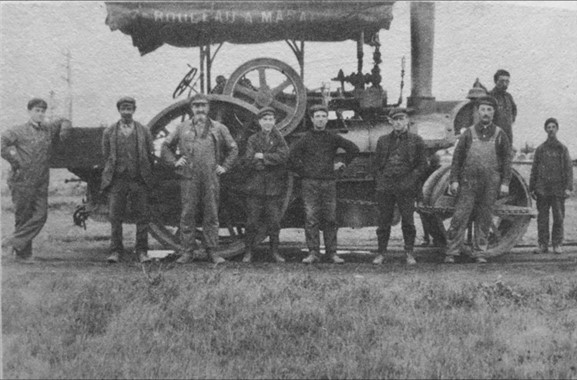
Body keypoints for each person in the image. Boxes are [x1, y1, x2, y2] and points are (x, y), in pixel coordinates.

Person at [161, 93, 238, 264]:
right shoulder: (182, 128)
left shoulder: (219, 128)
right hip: (189, 177)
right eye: (197, 106)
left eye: (203, 106)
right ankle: (187, 252)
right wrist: (175, 162)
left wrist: (224, 167)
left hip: (211, 177)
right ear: (192, 108)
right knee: (188, 214)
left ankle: (213, 252)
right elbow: (165, 146)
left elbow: (233, 148)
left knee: (211, 215)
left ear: (208, 108)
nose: (200, 109)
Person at [444, 95, 512, 264]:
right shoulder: (468, 133)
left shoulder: (499, 134)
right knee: (460, 216)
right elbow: (457, 159)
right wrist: (454, 180)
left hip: (490, 184)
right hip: (468, 183)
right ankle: (452, 251)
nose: (486, 113)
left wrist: (505, 183)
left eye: (489, 110)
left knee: (484, 218)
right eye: (483, 109)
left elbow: (507, 161)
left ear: (493, 113)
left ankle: (480, 252)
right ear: (478, 112)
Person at [1, 98, 72, 260]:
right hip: (22, 179)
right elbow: (1, 143)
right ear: (29, 112)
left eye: (42, 111)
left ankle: (10, 242)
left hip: (41, 179)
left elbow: (62, 120)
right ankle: (23, 255)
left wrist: (65, 127)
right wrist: (15, 160)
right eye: (36, 111)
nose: (40, 114)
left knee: (41, 215)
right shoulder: (18, 131)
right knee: (23, 217)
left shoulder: (47, 129)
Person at [289, 104, 360, 264]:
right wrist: (303, 171)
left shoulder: (332, 137)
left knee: (330, 219)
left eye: (323, 116)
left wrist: (341, 163)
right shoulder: (305, 138)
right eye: (317, 117)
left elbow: (353, 149)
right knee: (311, 218)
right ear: (312, 119)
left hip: (328, 182)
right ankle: (313, 253)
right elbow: (291, 157)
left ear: (327, 119)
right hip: (310, 183)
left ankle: (332, 253)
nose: (320, 119)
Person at [101, 97, 155, 263]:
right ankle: (116, 251)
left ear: (134, 110)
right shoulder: (109, 131)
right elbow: (106, 154)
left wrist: (142, 172)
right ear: (119, 110)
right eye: (123, 108)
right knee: (115, 216)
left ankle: (142, 252)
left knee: (142, 216)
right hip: (118, 180)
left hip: (138, 179)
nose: (126, 112)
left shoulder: (143, 131)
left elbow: (150, 153)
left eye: (129, 108)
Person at [372, 108, 427, 266]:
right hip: (386, 186)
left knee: (408, 222)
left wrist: (411, 179)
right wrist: (381, 180)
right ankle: (381, 253)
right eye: (395, 119)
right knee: (383, 222)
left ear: (407, 120)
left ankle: (409, 253)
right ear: (390, 122)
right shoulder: (383, 140)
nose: (398, 122)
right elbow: (375, 164)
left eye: (401, 119)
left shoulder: (416, 140)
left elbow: (423, 164)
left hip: (407, 186)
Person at [241, 107, 289, 263]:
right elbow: (249, 159)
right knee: (251, 222)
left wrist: (262, 156)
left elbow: (284, 155)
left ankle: (275, 252)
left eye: (271, 120)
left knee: (274, 223)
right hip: (255, 187)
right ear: (260, 122)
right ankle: (248, 253)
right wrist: (270, 161)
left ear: (274, 122)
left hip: (273, 189)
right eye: (265, 120)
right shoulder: (252, 139)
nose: (268, 123)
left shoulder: (278, 138)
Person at [529, 117, 573, 254]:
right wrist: (532, 188)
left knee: (558, 217)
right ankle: (543, 244)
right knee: (542, 218)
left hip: (558, 189)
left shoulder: (562, 149)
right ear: (545, 130)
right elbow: (534, 169)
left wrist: (568, 187)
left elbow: (568, 169)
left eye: (553, 127)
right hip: (542, 189)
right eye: (549, 127)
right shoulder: (540, 149)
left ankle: (557, 244)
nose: (551, 129)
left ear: (557, 129)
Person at [417, 152, 446, 247]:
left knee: (425, 217)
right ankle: (435, 238)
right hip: (430, 196)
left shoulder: (427, 170)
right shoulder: (439, 170)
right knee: (428, 218)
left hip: (427, 196)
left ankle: (428, 238)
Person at [489, 69, 517, 146]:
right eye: (501, 81)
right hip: (493, 136)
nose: (505, 84)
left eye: (507, 81)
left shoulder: (509, 97)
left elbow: (514, 110)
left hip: (508, 135)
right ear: (495, 81)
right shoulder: (490, 96)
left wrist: (509, 121)